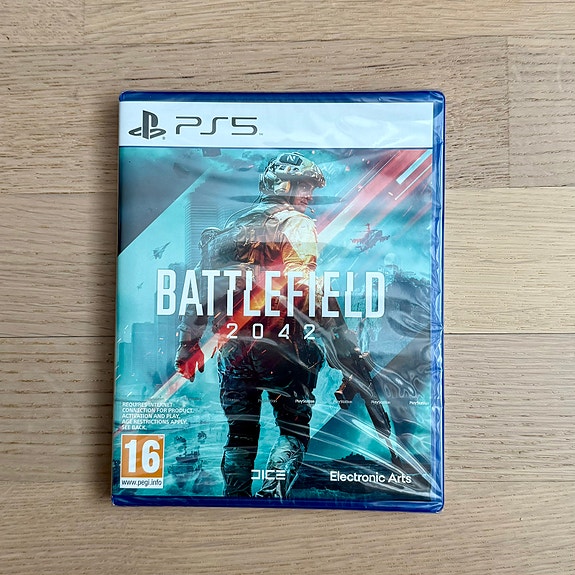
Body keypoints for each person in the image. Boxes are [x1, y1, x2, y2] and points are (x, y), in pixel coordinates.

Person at [175, 152, 378, 498]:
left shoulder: (232, 227)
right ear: (284, 186)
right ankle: (272, 496)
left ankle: (235, 500)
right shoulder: (296, 223)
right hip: (284, 349)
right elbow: (306, 288)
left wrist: (187, 345)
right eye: (304, 186)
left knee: (239, 435)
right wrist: (344, 349)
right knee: (293, 432)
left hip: (235, 352)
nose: (309, 195)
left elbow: (200, 287)